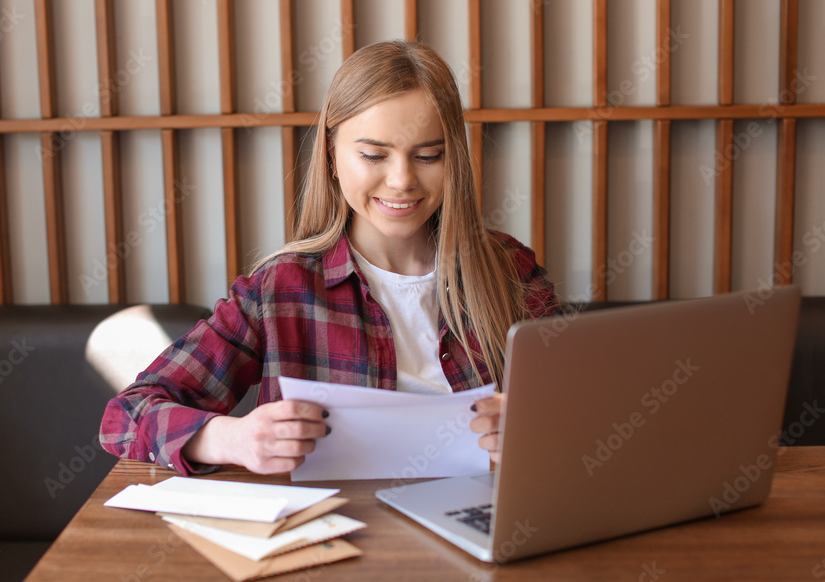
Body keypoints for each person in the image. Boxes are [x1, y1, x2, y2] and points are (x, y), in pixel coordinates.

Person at [99, 40, 559, 476]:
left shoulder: (507, 270)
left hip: (478, 527)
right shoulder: (280, 289)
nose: (401, 180)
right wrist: (231, 438)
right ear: (333, 158)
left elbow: (587, 406)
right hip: (336, 532)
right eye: (374, 155)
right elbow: (126, 415)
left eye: (428, 155)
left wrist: (535, 423)